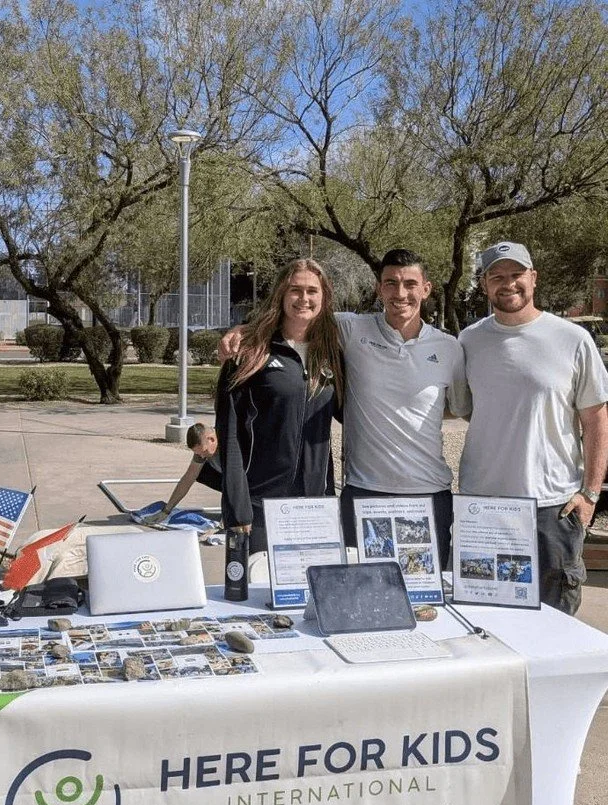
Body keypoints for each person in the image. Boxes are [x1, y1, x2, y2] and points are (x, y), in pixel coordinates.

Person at [219, 248, 470, 569]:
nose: (400, 293)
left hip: (429, 494)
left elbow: (457, 407)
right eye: (391, 283)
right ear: (378, 289)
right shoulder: (351, 330)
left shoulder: (450, 348)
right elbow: (297, 319)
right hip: (363, 493)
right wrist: (244, 331)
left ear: (426, 289)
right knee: (363, 592)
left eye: (410, 284)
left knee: (426, 591)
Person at [459, 240, 608, 614]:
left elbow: (596, 420)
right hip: (485, 507)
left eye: (517, 274)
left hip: (553, 508)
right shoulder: (468, 341)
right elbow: (467, 409)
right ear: (484, 284)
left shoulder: (572, 339)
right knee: (486, 621)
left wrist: (590, 494)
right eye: (497, 276)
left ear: (534, 278)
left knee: (556, 620)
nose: (508, 283)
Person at [216, 258, 343, 553]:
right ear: (281, 295)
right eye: (295, 290)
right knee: (256, 582)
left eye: (312, 291)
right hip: (259, 506)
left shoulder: (332, 353)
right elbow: (229, 434)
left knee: (311, 581)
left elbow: (345, 412)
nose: (304, 298)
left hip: (315, 504)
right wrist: (237, 508)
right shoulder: (249, 351)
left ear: (324, 297)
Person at [148, 423, 221, 522]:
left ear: (211, 439)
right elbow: (188, 478)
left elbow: (235, 482)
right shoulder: (202, 450)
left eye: (204, 451)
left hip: (241, 479)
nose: (202, 456)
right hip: (229, 479)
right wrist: (166, 510)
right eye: (198, 453)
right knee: (200, 471)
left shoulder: (229, 443)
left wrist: (228, 520)